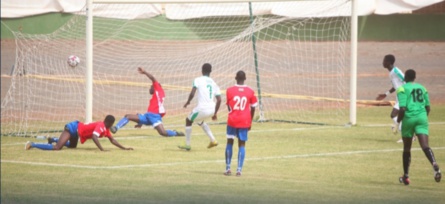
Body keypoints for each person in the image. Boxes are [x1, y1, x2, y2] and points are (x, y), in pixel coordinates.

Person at [395, 69, 441, 185]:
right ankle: (434, 163)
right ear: (414, 77)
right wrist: (422, 119)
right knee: (425, 145)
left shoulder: (402, 89)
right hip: (422, 117)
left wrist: (397, 122)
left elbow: (403, 109)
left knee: (407, 148)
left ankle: (406, 176)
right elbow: (428, 108)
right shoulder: (423, 88)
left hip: (409, 119)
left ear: (405, 77)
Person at [110, 67, 184, 137]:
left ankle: (175, 133)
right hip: (147, 116)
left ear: (154, 87)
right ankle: (116, 128)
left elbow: (153, 78)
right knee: (128, 116)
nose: (149, 89)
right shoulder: (156, 95)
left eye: (150, 87)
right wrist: (141, 122)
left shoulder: (158, 89)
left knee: (163, 133)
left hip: (155, 116)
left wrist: (145, 72)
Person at [25, 115, 133, 151]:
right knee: (57, 148)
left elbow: (112, 140)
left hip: (77, 133)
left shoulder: (106, 129)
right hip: (73, 128)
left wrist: (125, 148)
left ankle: (53, 139)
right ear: (109, 123)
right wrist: (102, 149)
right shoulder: (101, 126)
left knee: (72, 146)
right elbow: (95, 137)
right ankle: (33, 144)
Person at [178, 63, 221, 151]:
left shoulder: (198, 80)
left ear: (202, 71)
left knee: (188, 120)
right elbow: (219, 100)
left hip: (202, 109)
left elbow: (192, 93)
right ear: (210, 71)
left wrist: (188, 102)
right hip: (212, 109)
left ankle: (187, 145)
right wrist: (215, 113)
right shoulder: (214, 83)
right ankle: (213, 140)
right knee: (199, 121)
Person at [223, 71, 257, 176]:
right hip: (244, 120)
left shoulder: (229, 90)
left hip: (232, 120)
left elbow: (228, 106)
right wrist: (250, 120)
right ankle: (239, 170)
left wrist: (232, 113)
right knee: (242, 144)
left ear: (235, 78)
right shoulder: (250, 91)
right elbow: (253, 107)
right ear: (245, 78)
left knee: (229, 142)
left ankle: (228, 168)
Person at [376, 54, 406, 143]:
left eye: (384, 61)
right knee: (400, 116)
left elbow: (406, 79)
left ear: (389, 62)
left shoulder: (396, 71)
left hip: (403, 95)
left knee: (394, 115)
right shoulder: (391, 73)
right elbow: (395, 86)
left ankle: (405, 134)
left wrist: (407, 92)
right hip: (399, 95)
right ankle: (407, 133)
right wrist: (385, 94)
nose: (383, 62)